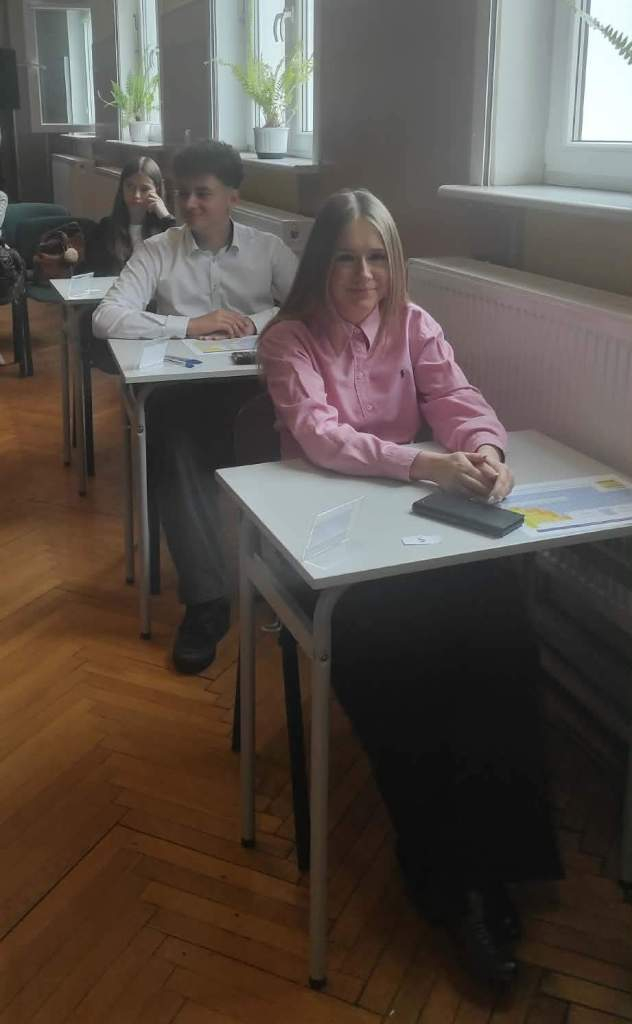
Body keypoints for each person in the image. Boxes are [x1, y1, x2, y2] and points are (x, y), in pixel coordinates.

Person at [258, 189, 563, 985]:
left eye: (377, 258)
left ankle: (498, 864)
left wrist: (486, 450)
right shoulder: (288, 339)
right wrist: (425, 462)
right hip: (327, 547)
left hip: (414, 535)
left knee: (503, 640)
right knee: (402, 679)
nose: (364, 275)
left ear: (394, 264)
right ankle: (448, 882)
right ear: (320, 263)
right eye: (345, 258)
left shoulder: (415, 323)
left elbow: (456, 399)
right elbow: (321, 437)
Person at [92, 141, 298, 673]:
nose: (189, 204)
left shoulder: (268, 249)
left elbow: (305, 305)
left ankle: (287, 578)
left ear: (233, 197)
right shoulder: (157, 250)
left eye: (203, 193)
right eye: (182, 193)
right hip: (182, 393)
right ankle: (207, 602)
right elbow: (107, 317)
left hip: (253, 390)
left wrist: (257, 319)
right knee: (173, 445)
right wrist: (190, 324)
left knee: (296, 428)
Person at [88, 156, 175, 276]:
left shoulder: (164, 229)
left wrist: (165, 217)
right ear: (122, 188)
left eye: (144, 189)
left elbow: (181, 261)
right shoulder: (105, 228)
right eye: (130, 186)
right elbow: (97, 274)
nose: (136, 195)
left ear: (156, 190)